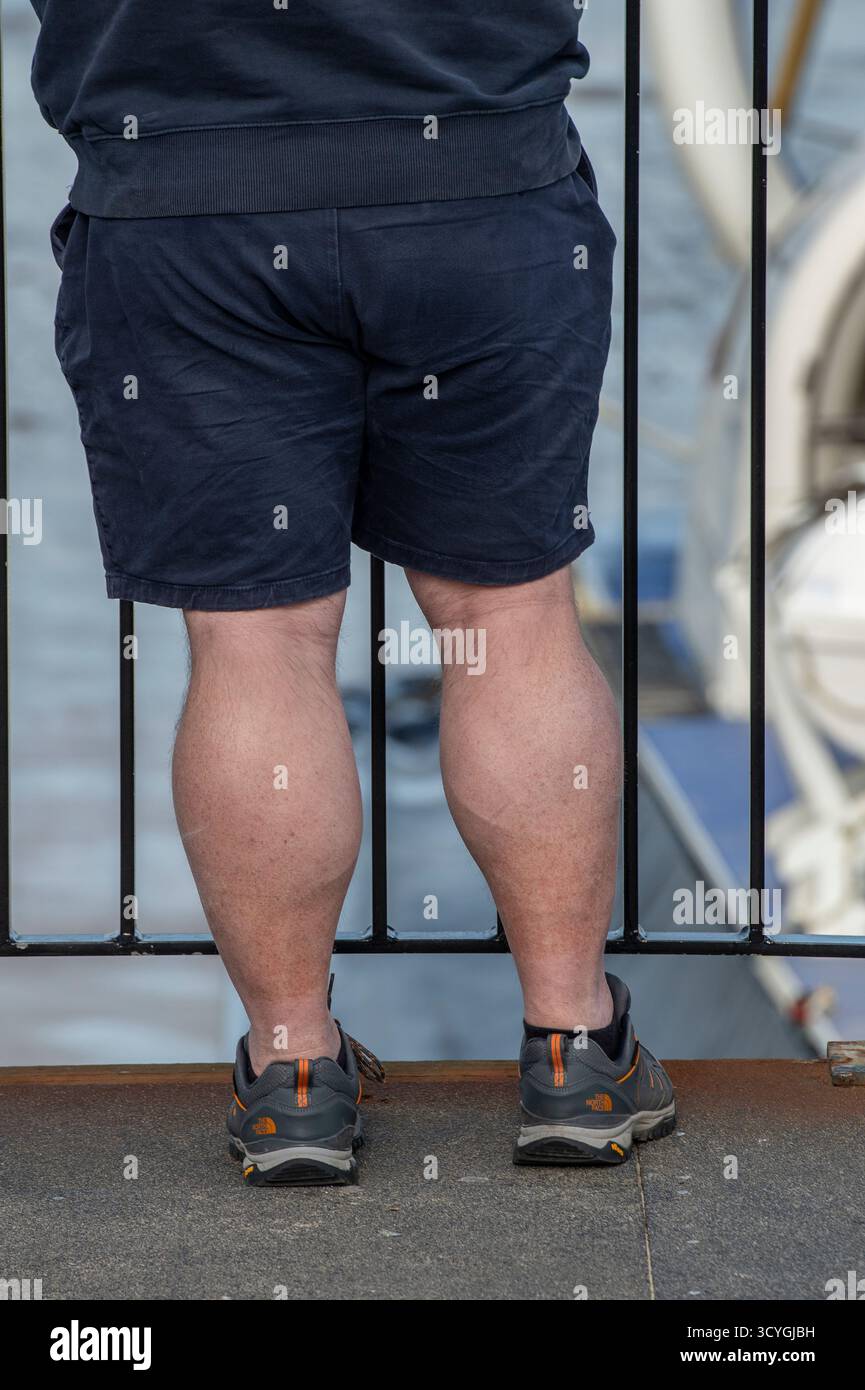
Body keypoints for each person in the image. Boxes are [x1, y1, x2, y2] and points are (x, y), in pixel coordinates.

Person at [31, 0, 675, 1185]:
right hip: (478, 181)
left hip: (181, 193)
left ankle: (293, 1077)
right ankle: (575, 1049)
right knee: (508, 622)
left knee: (254, 644)